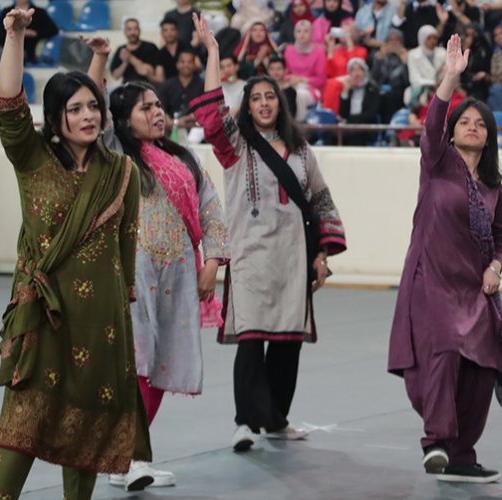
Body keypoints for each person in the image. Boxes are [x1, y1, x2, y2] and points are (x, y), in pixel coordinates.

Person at [0, 10, 152, 499]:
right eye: (75, 109)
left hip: (102, 327)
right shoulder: (33, 159)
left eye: (93, 108)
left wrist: (99, 59)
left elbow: (124, 250)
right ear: (56, 118)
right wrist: (14, 36)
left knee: (88, 436)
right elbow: (10, 102)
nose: (88, 116)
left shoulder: (121, 172)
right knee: (19, 428)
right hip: (44, 321)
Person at [189, 13, 347, 451]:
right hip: (251, 256)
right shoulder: (234, 146)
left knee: (287, 343)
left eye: (269, 97)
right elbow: (211, 114)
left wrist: (322, 256)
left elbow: (321, 202)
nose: (263, 103)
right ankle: (244, 421)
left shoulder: (300, 150)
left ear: (280, 102)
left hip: (295, 258)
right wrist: (215, 54)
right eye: (255, 98)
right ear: (247, 104)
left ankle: (276, 420)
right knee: (252, 338)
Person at [85, 34, 229, 489]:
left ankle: (126, 457)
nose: (158, 112)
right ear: (123, 121)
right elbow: (91, 105)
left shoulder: (182, 158)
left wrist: (213, 262)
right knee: (137, 363)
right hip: (132, 272)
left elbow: (212, 209)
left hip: (181, 273)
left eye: (158, 105)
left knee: (163, 366)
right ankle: (124, 458)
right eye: (145, 107)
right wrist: (102, 58)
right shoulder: (112, 156)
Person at [388, 34, 502, 483]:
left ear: (489, 135)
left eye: (481, 123)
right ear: (454, 130)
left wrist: (496, 267)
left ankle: (461, 455)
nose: (473, 127)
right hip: (432, 280)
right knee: (441, 356)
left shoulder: (494, 189)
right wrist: (450, 78)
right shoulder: (437, 162)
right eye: (466, 121)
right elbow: (433, 121)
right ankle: (436, 441)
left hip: (475, 289)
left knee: (482, 367)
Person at [0, 0, 58, 67]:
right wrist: (13, 32)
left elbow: (53, 29)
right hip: (2, 48)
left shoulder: (39, 12)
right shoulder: (7, 11)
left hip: (24, 51)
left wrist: (35, 33)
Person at [158, 48, 205, 132]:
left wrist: (185, 120)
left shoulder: (202, 85)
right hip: (169, 127)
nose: (186, 65)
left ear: (194, 65)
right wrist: (169, 121)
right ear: (177, 64)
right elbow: (161, 106)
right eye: (182, 62)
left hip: (195, 128)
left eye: (189, 62)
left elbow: (205, 109)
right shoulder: (167, 84)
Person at [338, 57, 381, 145]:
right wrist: (345, 93)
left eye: (359, 69)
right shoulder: (348, 90)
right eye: (353, 70)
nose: (356, 73)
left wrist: (352, 120)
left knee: (355, 134)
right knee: (332, 135)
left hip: (366, 126)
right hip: (349, 125)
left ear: (364, 72)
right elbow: (343, 114)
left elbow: (372, 113)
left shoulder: (372, 89)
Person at [111, 18, 162, 84]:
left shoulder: (150, 47)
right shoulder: (121, 50)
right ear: (125, 32)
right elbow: (115, 76)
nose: (132, 32)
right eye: (129, 29)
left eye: (135, 29)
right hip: (127, 88)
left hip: (147, 87)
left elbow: (150, 71)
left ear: (139, 30)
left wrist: (130, 58)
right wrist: (125, 62)